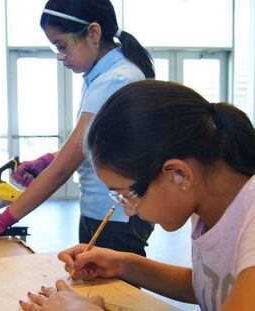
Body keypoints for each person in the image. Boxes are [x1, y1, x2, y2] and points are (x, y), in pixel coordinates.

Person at [19, 80, 255, 311]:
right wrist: (124, 264)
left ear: (178, 174)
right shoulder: (208, 201)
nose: (128, 210)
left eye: (128, 195)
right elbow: (210, 285)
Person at [0, 0, 155, 256]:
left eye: (62, 46)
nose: (61, 58)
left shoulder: (116, 79)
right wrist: (46, 161)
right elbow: (94, 146)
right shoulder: (104, 75)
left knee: (115, 293)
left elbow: (65, 168)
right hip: (103, 210)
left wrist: (1, 221)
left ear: (93, 33)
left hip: (116, 214)